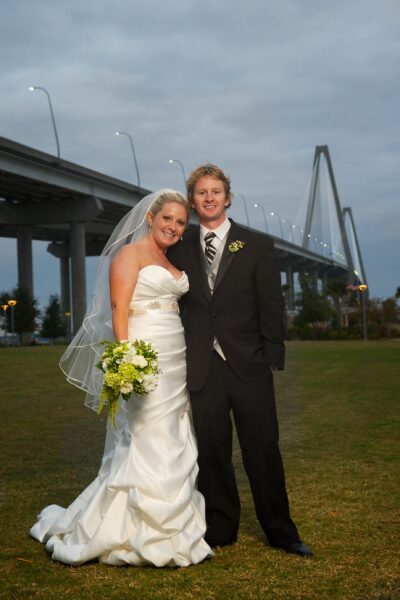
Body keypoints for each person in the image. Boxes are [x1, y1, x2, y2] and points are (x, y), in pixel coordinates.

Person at [30, 190, 213, 567]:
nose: (173, 227)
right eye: (167, 219)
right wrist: (127, 357)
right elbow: (118, 309)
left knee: (176, 431)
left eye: (180, 222)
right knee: (146, 434)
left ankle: (175, 530)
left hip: (175, 355)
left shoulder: (168, 257)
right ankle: (133, 530)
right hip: (144, 355)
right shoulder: (128, 255)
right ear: (150, 217)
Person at [168, 164, 312, 556]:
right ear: (193, 201)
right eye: (201, 192)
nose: (209, 197)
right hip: (203, 366)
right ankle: (220, 528)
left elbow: (272, 303)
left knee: (262, 449)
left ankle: (282, 532)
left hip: (249, 364)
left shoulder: (257, 244)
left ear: (228, 197)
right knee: (212, 451)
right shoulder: (179, 247)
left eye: (216, 191)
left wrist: (271, 358)